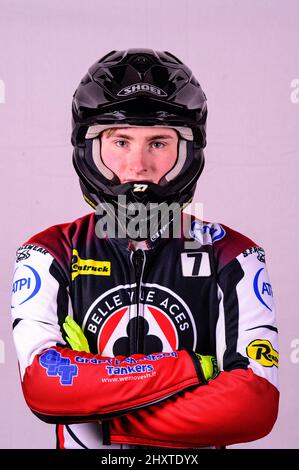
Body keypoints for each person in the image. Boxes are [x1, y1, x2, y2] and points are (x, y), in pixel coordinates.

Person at [11, 48, 279, 450]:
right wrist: (194, 368)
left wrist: (98, 406)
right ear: (90, 150)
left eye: (158, 143)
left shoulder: (235, 256)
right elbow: (45, 386)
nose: (138, 165)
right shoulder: (49, 252)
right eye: (120, 141)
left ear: (186, 153)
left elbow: (252, 404)